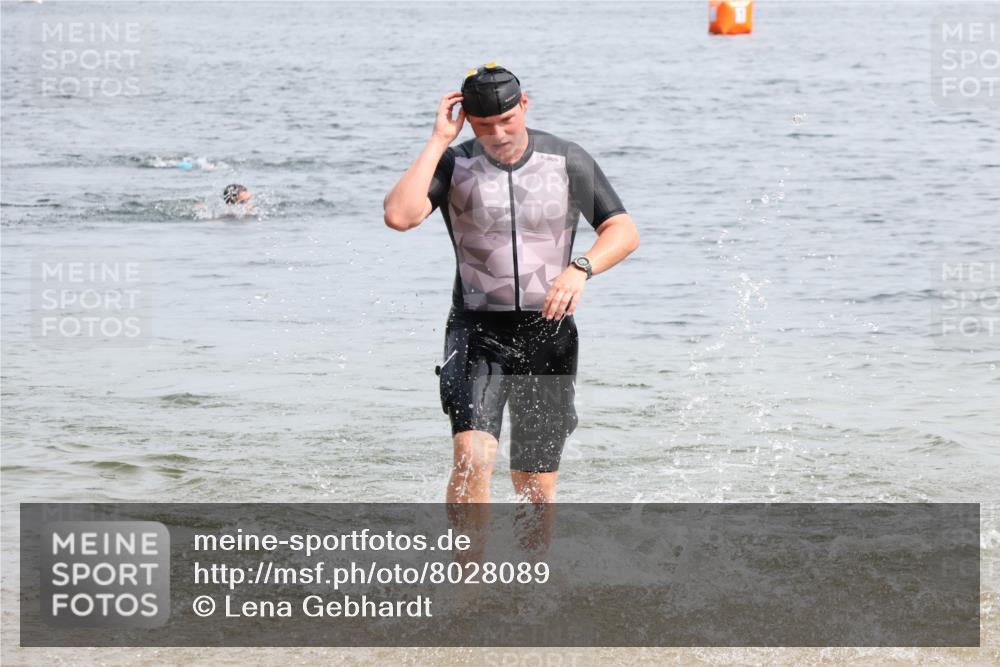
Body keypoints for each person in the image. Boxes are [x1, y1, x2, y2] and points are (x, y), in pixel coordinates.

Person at [384, 63, 639, 508]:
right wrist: (439, 139)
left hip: (549, 333)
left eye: (507, 120)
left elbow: (622, 230)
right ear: (468, 120)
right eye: (485, 125)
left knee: (534, 487)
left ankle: (530, 576)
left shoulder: (566, 159)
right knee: (471, 457)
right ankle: (469, 579)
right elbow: (399, 216)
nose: (498, 134)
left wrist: (581, 268)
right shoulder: (454, 162)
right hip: (476, 331)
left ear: (524, 105)